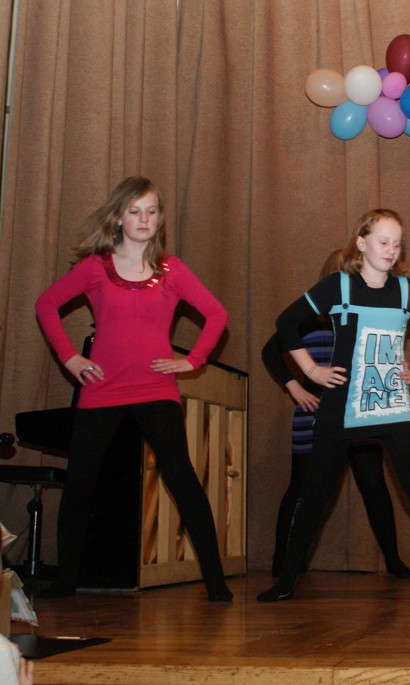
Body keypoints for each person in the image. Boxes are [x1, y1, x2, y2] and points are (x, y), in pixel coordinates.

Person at [257, 209, 410, 602]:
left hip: (392, 405)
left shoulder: (407, 291)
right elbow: (286, 323)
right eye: (383, 241)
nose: (391, 250)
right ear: (361, 243)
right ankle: (286, 579)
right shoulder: (337, 286)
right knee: (314, 494)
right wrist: (311, 369)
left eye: (397, 244)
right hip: (341, 406)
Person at [34, 176, 232, 602]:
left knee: (181, 477)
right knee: (80, 481)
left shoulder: (171, 270)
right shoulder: (95, 268)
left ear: (159, 220)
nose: (144, 219)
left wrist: (193, 360)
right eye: (135, 211)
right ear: (119, 218)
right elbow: (46, 305)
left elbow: (217, 314)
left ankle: (216, 581)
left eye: (151, 211)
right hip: (102, 389)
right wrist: (70, 358)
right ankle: (66, 579)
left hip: (156, 388)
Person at [262, 249, 410, 580]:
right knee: (302, 488)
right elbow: (270, 351)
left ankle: (393, 559)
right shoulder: (308, 318)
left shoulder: (367, 313)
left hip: (361, 414)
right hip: (316, 415)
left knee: (374, 485)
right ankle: (282, 561)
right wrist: (294, 387)